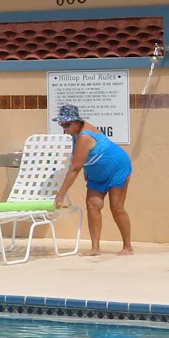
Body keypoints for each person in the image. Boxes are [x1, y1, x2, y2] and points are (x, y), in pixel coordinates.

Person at [50, 104, 134, 256]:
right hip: (97, 172)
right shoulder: (75, 133)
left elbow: (74, 168)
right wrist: (87, 171)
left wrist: (61, 194)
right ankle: (95, 248)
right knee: (93, 205)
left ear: (77, 121)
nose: (64, 128)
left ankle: (128, 246)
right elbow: (85, 157)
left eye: (66, 124)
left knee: (116, 207)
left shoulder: (84, 137)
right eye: (61, 124)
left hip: (117, 167)